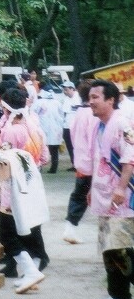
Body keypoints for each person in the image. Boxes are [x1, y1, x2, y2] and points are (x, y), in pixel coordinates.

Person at [87, 79, 134, 299]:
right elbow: (99, 161)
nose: (91, 102)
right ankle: (118, 295)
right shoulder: (100, 126)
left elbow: (129, 159)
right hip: (105, 197)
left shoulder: (122, 123)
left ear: (110, 100)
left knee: (122, 247)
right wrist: (90, 189)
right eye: (90, 97)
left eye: (96, 97)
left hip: (122, 197)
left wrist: (121, 188)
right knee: (109, 245)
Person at [0, 86, 50, 283]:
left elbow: (4, 161)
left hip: (14, 188)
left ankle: (30, 270)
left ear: (6, 108)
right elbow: (45, 157)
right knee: (28, 229)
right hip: (32, 184)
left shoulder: (11, 131)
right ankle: (32, 268)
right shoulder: (34, 127)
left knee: (7, 234)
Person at [63, 79, 96, 243]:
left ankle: (70, 227)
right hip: (94, 164)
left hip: (82, 162)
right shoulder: (93, 115)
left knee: (79, 196)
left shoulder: (78, 114)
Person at [34, 82, 64, 173]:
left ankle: (40, 166)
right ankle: (54, 168)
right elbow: (62, 116)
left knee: (40, 148)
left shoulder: (39, 102)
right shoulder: (57, 102)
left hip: (43, 128)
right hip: (56, 129)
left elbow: (33, 114)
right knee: (54, 150)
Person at [60, 80, 81, 168]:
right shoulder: (66, 99)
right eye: (64, 90)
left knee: (76, 146)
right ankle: (73, 164)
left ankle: (78, 164)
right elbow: (64, 112)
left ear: (72, 89)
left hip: (76, 127)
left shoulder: (78, 98)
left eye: (66, 89)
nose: (65, 91)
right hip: (66, 126)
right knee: (69, 146)